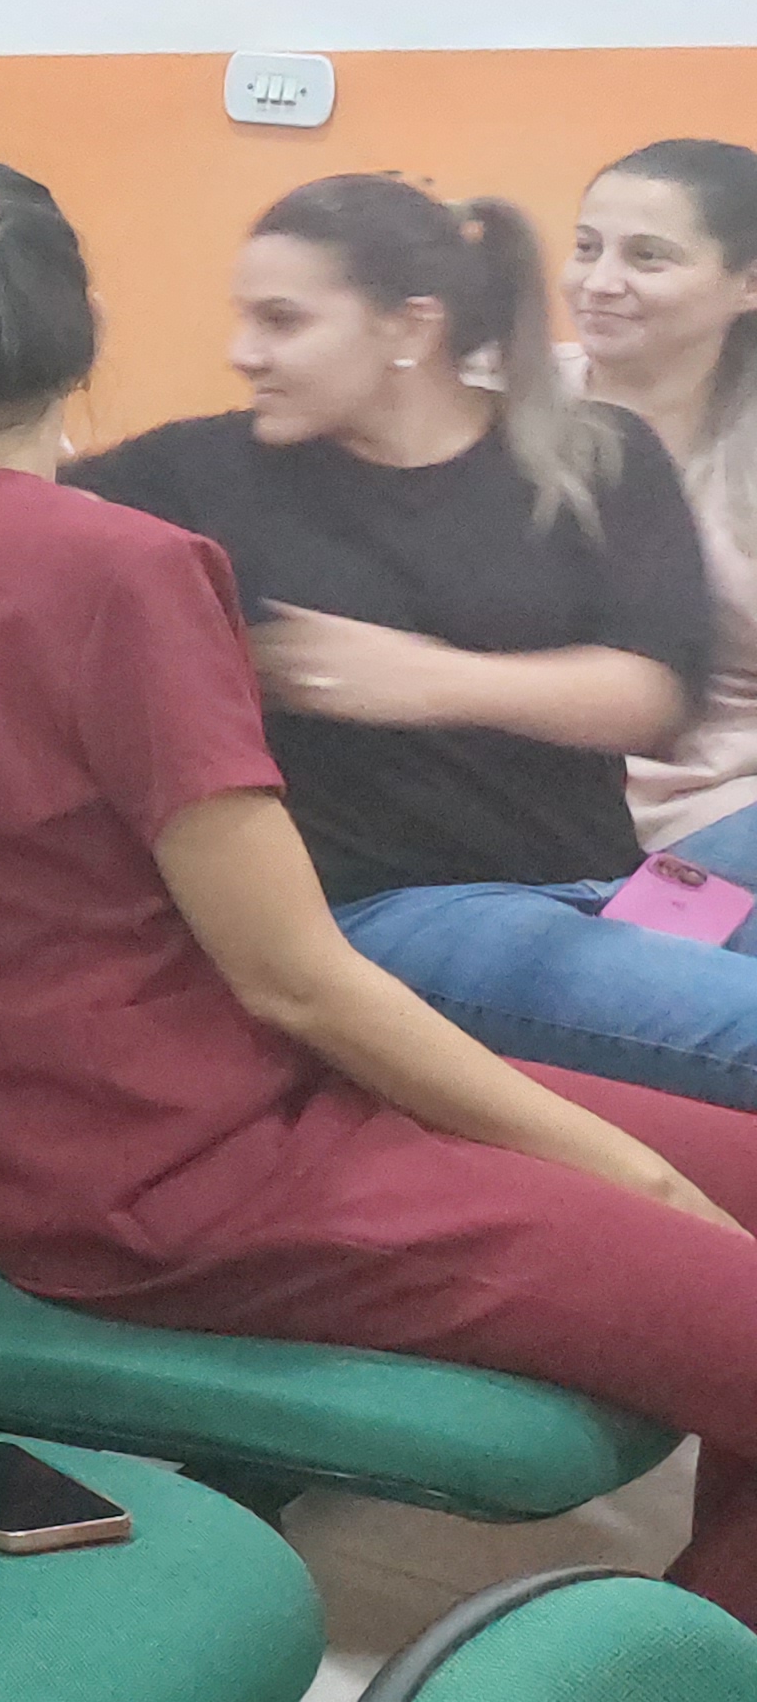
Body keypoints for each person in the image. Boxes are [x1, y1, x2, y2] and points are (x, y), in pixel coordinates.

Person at [0, 148, 757, 1626]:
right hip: (183, 1165)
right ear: (81, 331)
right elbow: (297, 978)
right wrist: (632, 1173)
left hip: (144, 1111)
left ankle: (704, 1660)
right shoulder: (126, 566)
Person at [72, 174, 757, 1111]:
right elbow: (5, 507)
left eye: (282, 321)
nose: (243, 353)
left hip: (608, 883)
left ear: (410, 327)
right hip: (399, 913)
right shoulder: (193, 472)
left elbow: (654, 698)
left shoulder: (598, 452)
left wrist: (424, 680)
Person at [571, 138, 757, 872]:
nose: (599, 283)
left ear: (747, 283)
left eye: (648, 258)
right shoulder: (491, 405)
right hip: (533, 803)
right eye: (586, 248)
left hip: (729, 807)